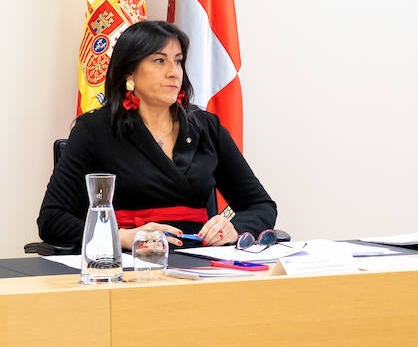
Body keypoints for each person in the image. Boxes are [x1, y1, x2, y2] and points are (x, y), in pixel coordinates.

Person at [36, 19, 276, 250]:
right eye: (160, 61)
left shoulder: (206, 127)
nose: (174, 72)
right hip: (130, 262)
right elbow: (52, 219)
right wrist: (121, 237)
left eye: (178, 61)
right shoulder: (94, 129)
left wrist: (234, 227)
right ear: (129, 72)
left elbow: (261, 206)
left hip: (200, 260)